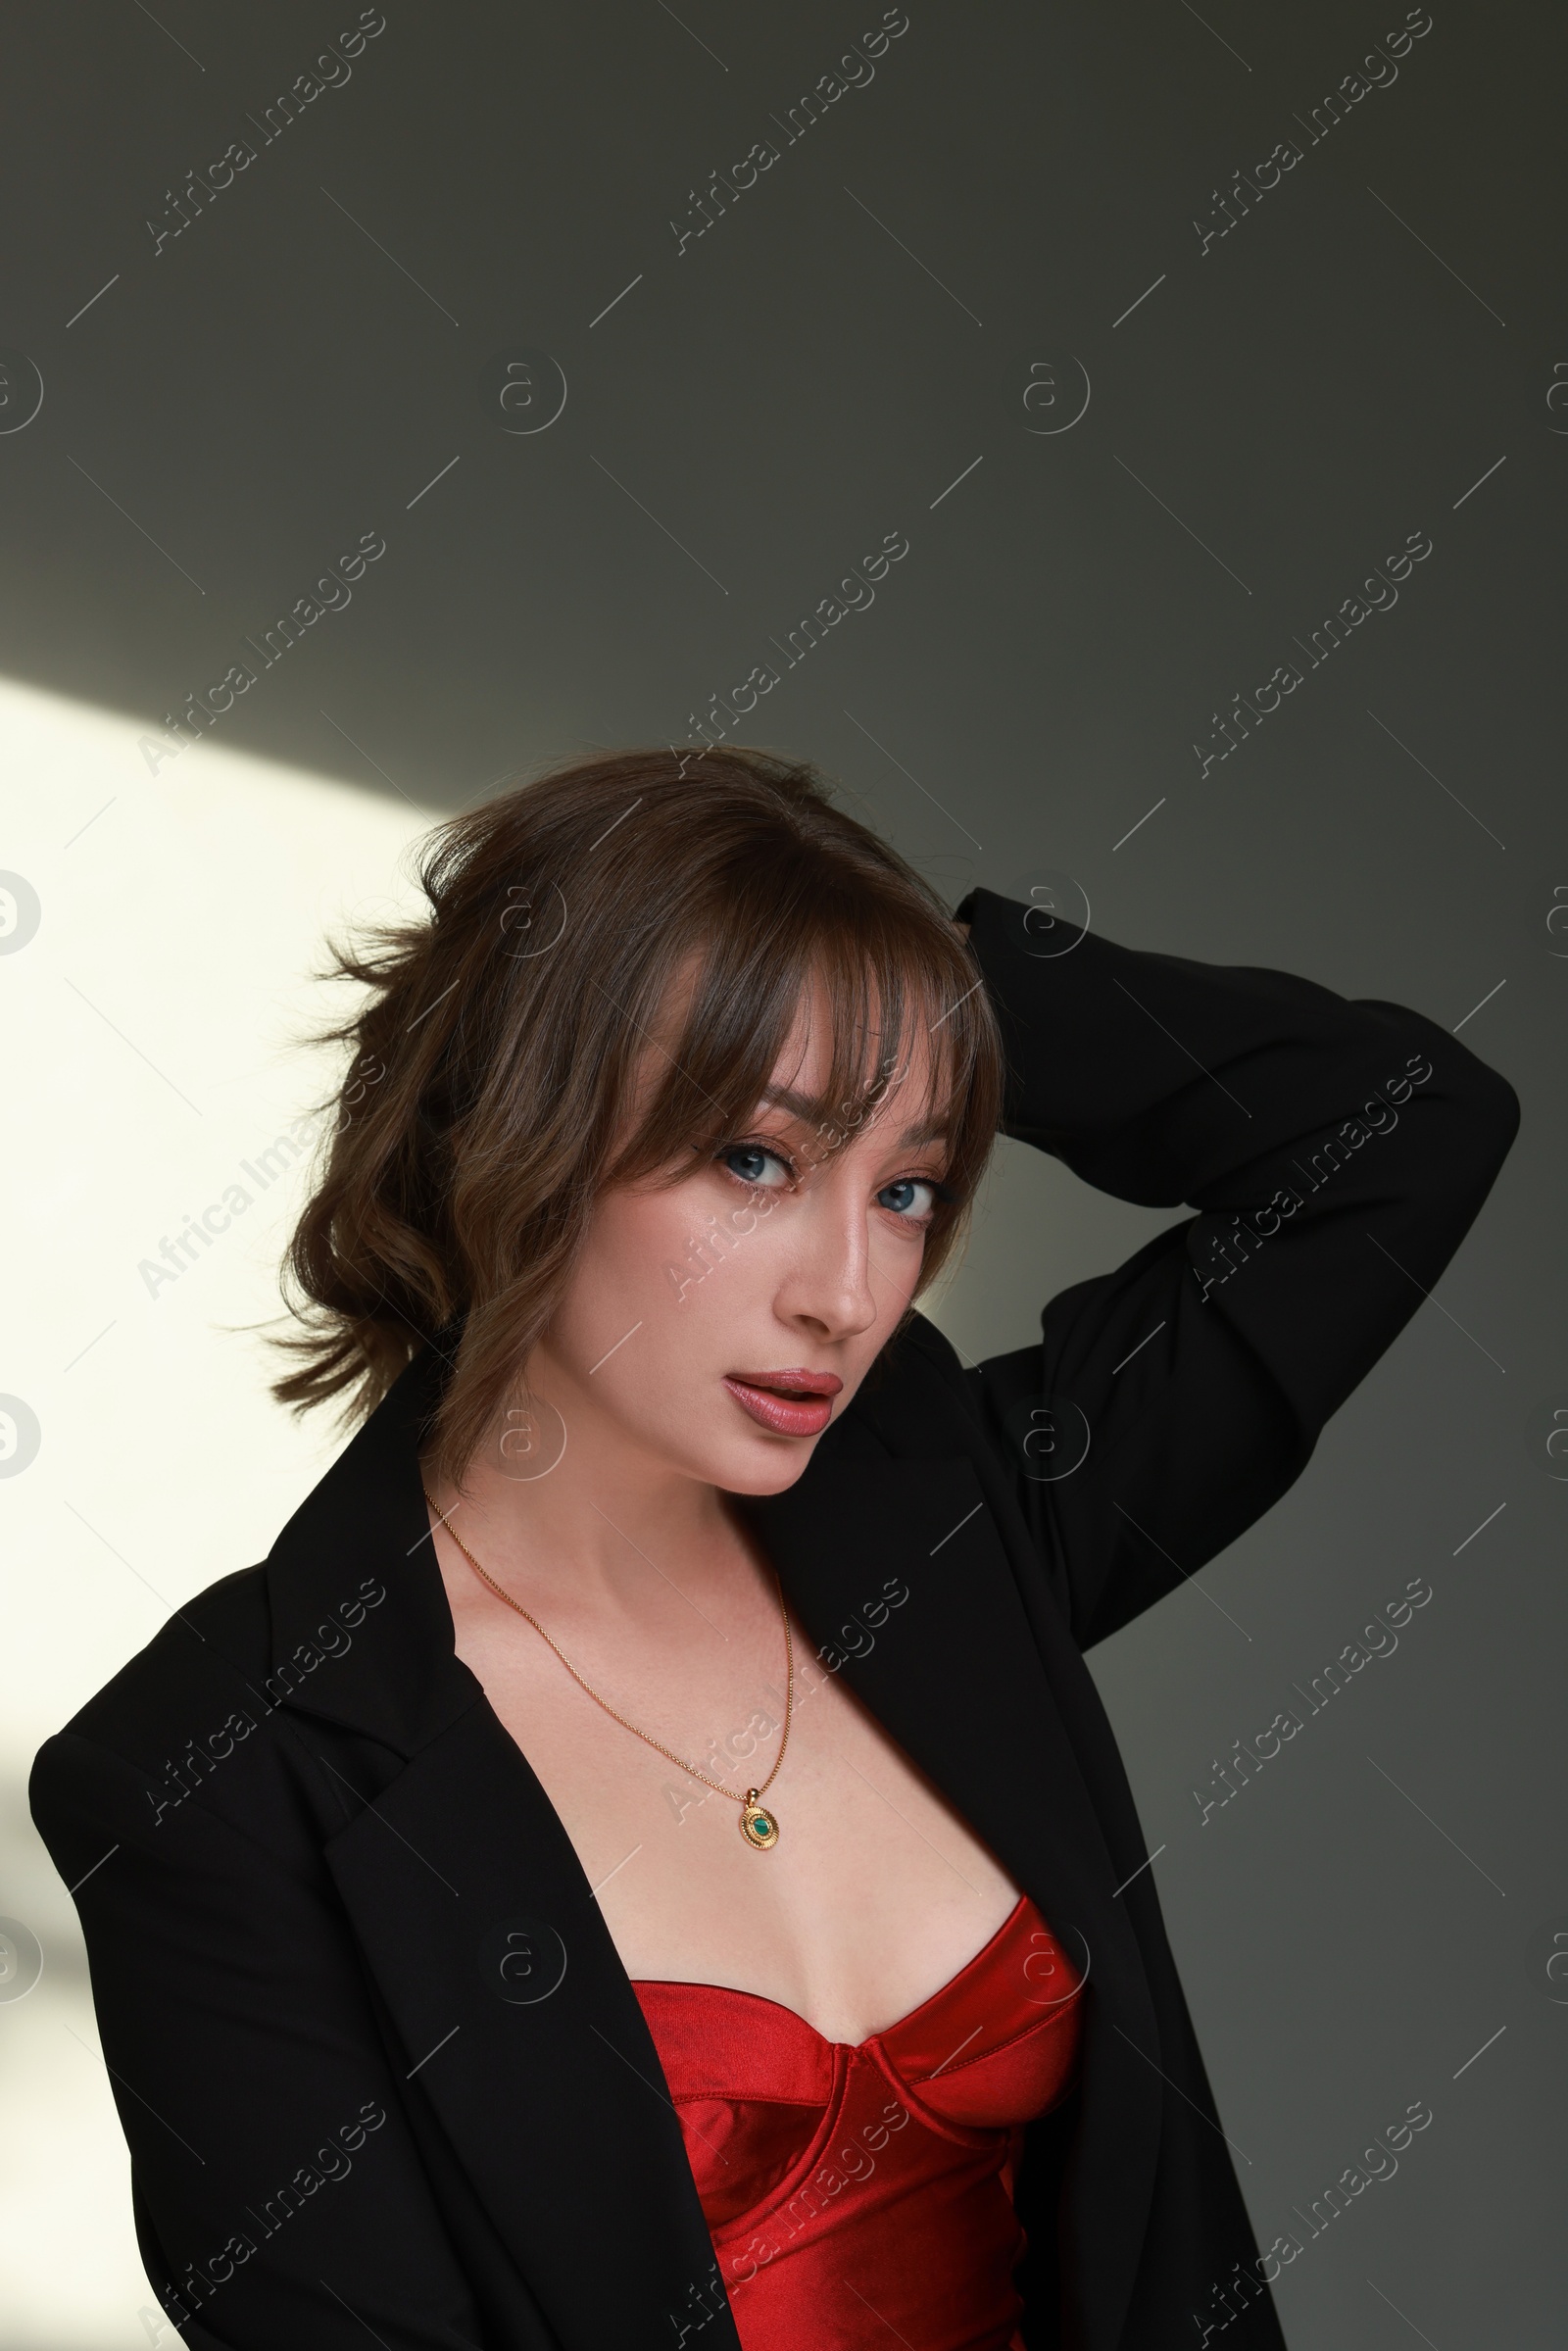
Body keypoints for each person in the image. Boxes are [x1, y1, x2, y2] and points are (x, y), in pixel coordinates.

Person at [31, 746, 1518, 2350]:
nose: (851, 1291)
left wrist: (918, 994)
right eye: (758, 1159)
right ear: (512, 1128)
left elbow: (1405, 1129)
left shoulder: (945, 1508)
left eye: (910, 1187)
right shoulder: (223, 1775)